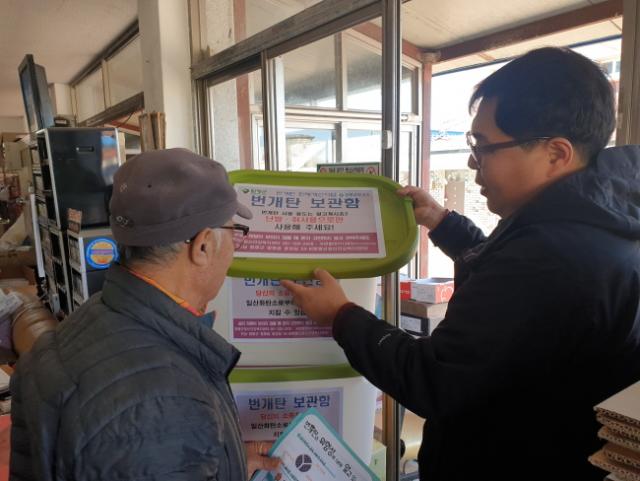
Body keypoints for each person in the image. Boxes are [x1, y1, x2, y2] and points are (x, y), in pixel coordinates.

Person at [282, 47, 640, 481]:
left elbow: (433, 379)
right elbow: (506, 279)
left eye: (485, 146)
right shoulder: (597, 225)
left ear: (555, 153)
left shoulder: (553, 256)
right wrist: (442, 222)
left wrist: (340, 315)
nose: (472, 161)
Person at [10, 149, 279, 481]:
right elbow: (153, 440)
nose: (235, 248)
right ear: (204, 246)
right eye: (234, 232)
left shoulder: (91, 317)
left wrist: (228, 464)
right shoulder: (166, 406)